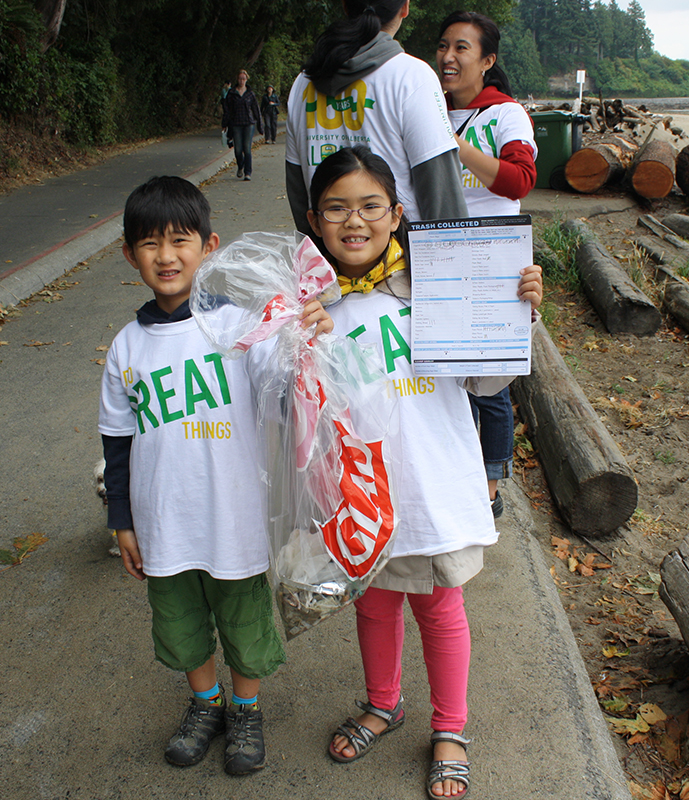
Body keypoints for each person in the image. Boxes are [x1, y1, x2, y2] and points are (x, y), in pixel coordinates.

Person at [305, 146, 542, 800]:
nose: (355, 221)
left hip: (433, 488)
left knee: (440, 608)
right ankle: (383, 704)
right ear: (314, 219)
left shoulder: (439, 285)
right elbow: (296, 410)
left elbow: (486, 379)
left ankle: (451, 728)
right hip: (364, 498)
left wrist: (516, 313)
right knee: (375, 603)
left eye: (370, 206)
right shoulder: (312, 309)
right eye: (337, 208)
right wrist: (289, 341)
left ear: (397, 213)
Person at [98, 176, 331, 776]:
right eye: (149, 244)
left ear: (209, 245)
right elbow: (117, 443)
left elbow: (286, 392)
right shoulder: (127, 347)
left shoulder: (240, 329)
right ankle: (206, 702)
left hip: (235, 517)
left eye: (180, 240)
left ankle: (246, 709)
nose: (166, 256)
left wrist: (302, 335)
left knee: (243, 619)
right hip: (163, 521)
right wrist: (122, 520)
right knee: (179, 621)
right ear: (129, 255)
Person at [436, 11, 539, 519]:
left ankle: (491, 485)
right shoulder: (428, 106)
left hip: (494, 261)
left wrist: (458, 148)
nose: (449, 58)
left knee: (491, 381)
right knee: (443, 375)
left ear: (487, 60)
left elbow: (520, 181)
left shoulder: (505, 114)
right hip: (437, 259)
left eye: (462, 48)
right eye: (444, 47)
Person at [285, 0, 468, 234]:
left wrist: (319, 263)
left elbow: (299, 191)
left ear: (345, 5)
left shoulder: (304, 82)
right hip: (399, 263)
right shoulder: (412, 77)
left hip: (329, 260)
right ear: (405, 8)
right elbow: (442, 196)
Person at [223, 70, 262, 180]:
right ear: (237, 79)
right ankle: (241, 165)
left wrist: (260, 126)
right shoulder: (231, 93)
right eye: (240, 78)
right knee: (238, 149)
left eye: (243, 79)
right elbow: (227, 109)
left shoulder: (250, 93)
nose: (241, 81)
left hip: (248, 123)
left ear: (246, 79)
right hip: (236, 123)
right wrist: (225, 123)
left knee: (247, 148)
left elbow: (256, 109)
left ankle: (248, 172)